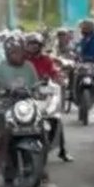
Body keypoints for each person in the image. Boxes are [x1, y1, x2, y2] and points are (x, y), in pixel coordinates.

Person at [0, 37, 38, 187]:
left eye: (20, 52)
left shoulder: (29, 66)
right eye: (13, 52)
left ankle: (41, 164)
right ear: (7, 53)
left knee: (42, 128)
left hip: (26, 107)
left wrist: (40, 90)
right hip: (5, 108)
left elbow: (36, 84)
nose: (17, 55)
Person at [25, 33, 73, 162]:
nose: (34, 47)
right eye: (31, 44)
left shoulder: (46, 59)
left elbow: (54, 72)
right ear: (26, 46)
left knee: (55, 117)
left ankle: (62, 150)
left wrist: (59, 79)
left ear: (40, 46)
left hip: (42, 91)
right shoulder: (22, 59)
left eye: (36, 45)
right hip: (23, 93)